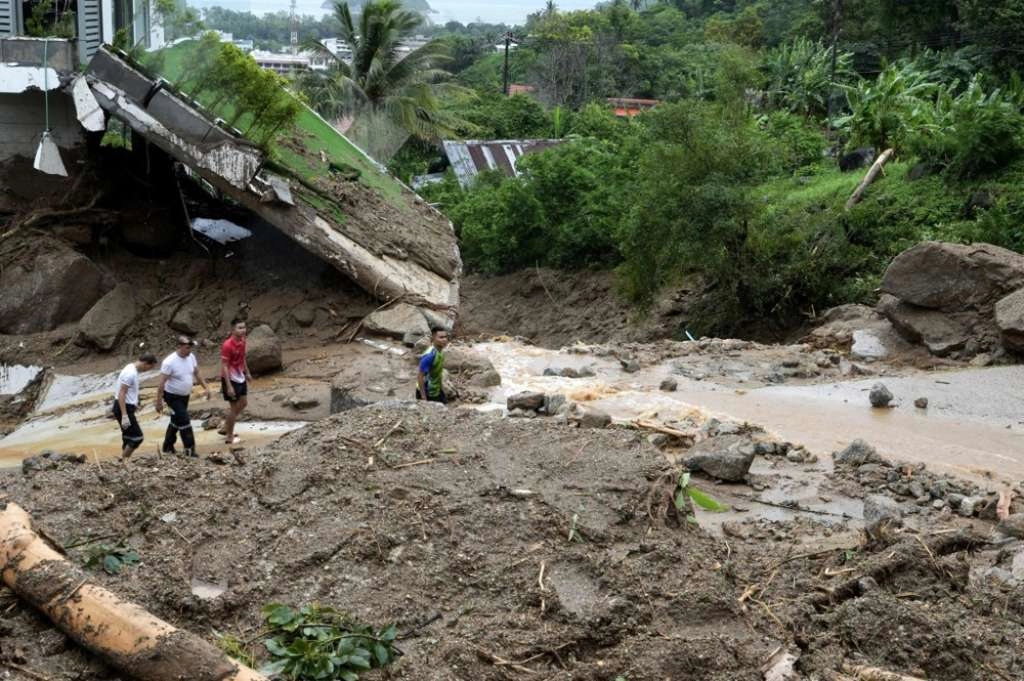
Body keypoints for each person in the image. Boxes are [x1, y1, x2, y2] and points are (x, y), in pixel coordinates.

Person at [155, 335, 211, 457]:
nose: (189, 350)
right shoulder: (169, 362)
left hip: (184, 396)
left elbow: (197, 373)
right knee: (184, 421)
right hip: (172, 396)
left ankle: (167, 446)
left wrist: (206, 387)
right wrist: (158, 401)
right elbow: (161, 384)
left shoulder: (191, 357)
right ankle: (189, 450)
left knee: (176, 420)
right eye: (187, 348)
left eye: (191, 347)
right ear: (179, 346)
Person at [112, 352, 158, 459]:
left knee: (128, 436)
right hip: (123, 407)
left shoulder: (131, 367)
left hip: (125, 406)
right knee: (137, 437)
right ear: (146, 363)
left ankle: (125, 461)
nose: (148, 370)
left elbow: (127, 392)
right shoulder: (130, 373)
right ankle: (123, 460)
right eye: (149, 367)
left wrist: (134, 403)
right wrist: (124, 415)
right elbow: (121, 393)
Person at [220, 318, 252, 445]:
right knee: (233, 408)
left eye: (244, 327)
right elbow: (224, 366)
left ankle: (227, 425)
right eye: (239, 328)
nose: (243, 330)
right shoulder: (227, 345)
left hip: (240, 375)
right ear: (233, 330)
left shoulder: (243, 341)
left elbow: (242, 357)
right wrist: (228, 386)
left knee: (244, 403)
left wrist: (247, 372)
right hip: (230, 378)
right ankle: (229, 436)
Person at [416, 327, 450, 404]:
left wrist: (441, 388)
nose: (445, 339)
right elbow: (420, 376)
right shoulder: (430, 355)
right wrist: (423, 398)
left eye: (445, 337)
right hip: (428, 392)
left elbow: (437, 372)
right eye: (441, 337)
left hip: (436, 389)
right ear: (433, 338)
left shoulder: (441, 351)